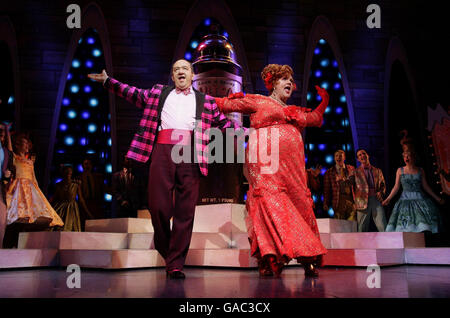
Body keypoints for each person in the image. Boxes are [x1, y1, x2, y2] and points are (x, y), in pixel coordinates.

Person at [88, 59, 242, 279]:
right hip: (163, 149)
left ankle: (175, 264)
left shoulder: (205, 101)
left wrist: (250, 129)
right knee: (158, 206)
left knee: (185, 211)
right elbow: (132, 93)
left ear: (191, 75)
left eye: (185, 69)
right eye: (176, 69)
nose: (181, 72)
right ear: (172, 75)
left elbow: (224, 124)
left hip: (191, 153)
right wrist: (108, 82)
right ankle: (169, 251)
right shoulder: (158, 93)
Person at [215, 64, 329, 277]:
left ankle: (307, 257)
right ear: (274, 83)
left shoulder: (294, 111)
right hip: (266, 166)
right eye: (284, 79)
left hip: (293, 170)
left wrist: (325, 101)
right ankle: (270, 258)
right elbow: (224, 105)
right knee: (270, 203)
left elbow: (314, 118)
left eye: (291, 81)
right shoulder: (259, 100)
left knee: (299, 207)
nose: (290, 83)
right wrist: (194, 99)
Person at [6, 133, 63, 228]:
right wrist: (8, 132)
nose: (27, 145)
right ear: (18, 145)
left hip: (30, 187)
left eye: (27, 143)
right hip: (18, 186)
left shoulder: (30, 162)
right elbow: (9, 150)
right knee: (18, 211)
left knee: (32, 213)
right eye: (24, 143)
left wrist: (38, 191)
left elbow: (33, 177)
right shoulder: (15, 158)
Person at [382, 150, 444, 233]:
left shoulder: (420, 170)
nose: (406, 158)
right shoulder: (400, 170)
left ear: (414, 157)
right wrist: (388, 199)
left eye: (408, 156)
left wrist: (437, 198)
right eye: (404, 156)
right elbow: (396, 187)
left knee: (422, 223)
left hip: (419, 198)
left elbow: (425, 186)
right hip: (405, 199)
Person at [352, 149, 387, 232]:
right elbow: (350, 186)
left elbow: (383, 185)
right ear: (358, 159)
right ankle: (362, 245)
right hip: (361, 200)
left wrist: (381, 192)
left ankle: (387, 243)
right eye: (359, 155)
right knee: (362, 227)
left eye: (363, 153)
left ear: (368, 155)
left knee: (382, 224)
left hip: (376, 199)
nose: (362, 156)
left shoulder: (377, 171)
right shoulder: (355, 172)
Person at [50, 165, 92, 232]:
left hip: (71, 209)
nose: (68, 173)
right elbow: (54, 198)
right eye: (66, 172)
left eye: (69, 172)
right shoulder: (58, 185)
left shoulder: (75, 185)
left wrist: (87, 212)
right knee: (57, 227)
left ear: (71, 173)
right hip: (60, 208)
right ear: (63, 173)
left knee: (69, 227)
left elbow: (81, 199)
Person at [323, 150, 356, 221]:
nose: (338, 157)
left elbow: (356, 185)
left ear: (344, 158)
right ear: (334, 158)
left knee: (352, 222)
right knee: (340, 224)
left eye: (340, 156)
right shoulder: (329, 172)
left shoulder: (351, 168)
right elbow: (327, 190)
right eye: (336, 156)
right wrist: (326, 203)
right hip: (338, 199)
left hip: (350, 198)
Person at [79, 158, 105, 222]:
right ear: (82, 166)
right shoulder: (79, 178)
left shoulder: (97, 177)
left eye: (89, 164)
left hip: (96, 204)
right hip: (84, 204)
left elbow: (103, 189)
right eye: (85, 164)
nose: (87, 166)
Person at [0, 122, 13, 247]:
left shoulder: (5, 152)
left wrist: (6, 175)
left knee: (1, 220)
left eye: (2, 135)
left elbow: (10, 152)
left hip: (0, 188)